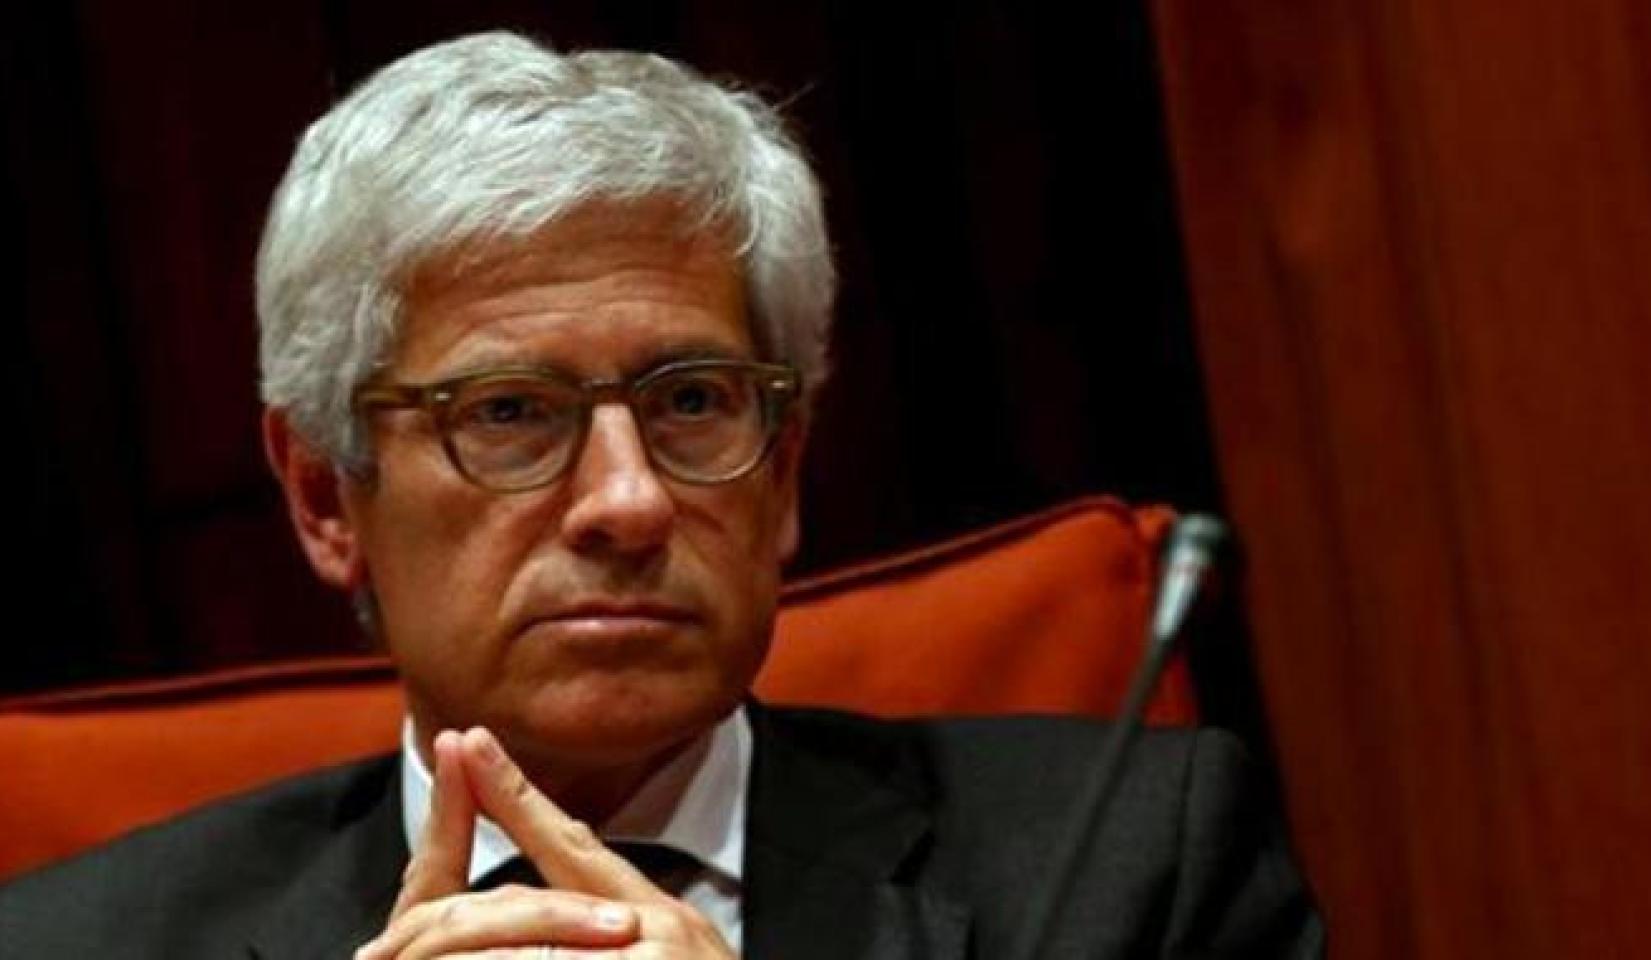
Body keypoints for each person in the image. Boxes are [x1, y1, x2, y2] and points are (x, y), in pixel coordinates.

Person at [0, 31, 1323, 958]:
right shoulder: (68, 945)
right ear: (324, 498)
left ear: (784, 468)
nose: (628, 502)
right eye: (508, 413)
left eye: (693, 402)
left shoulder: (1129, 867)